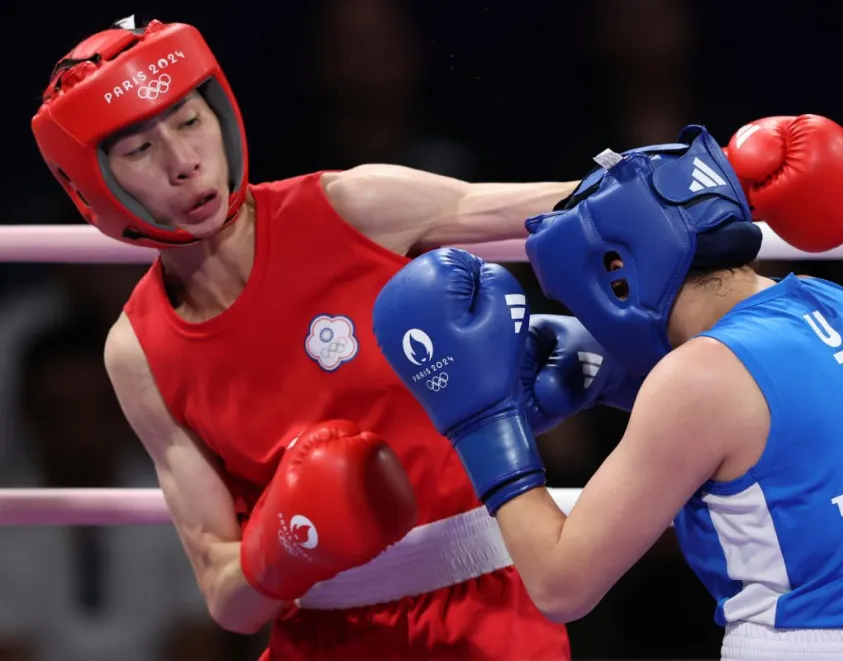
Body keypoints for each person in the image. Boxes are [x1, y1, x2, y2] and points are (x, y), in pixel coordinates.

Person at [31, 16, 585, 661]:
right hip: (320, 638)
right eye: (139, 150)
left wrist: (704, 184)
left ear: (221, 117)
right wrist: (286, 544)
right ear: (96, 184)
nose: (183, 163)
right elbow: (226, 597)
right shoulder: (138, 351)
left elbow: (572, 205)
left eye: (188, 122)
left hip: (488, 612)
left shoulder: (354, 206)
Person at [371, 123, 843, 659]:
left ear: (616, 272)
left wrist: (483, 421)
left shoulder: (699, 379)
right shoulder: (834, 304)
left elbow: (559, 584)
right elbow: (767, 431)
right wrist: (608, 376)